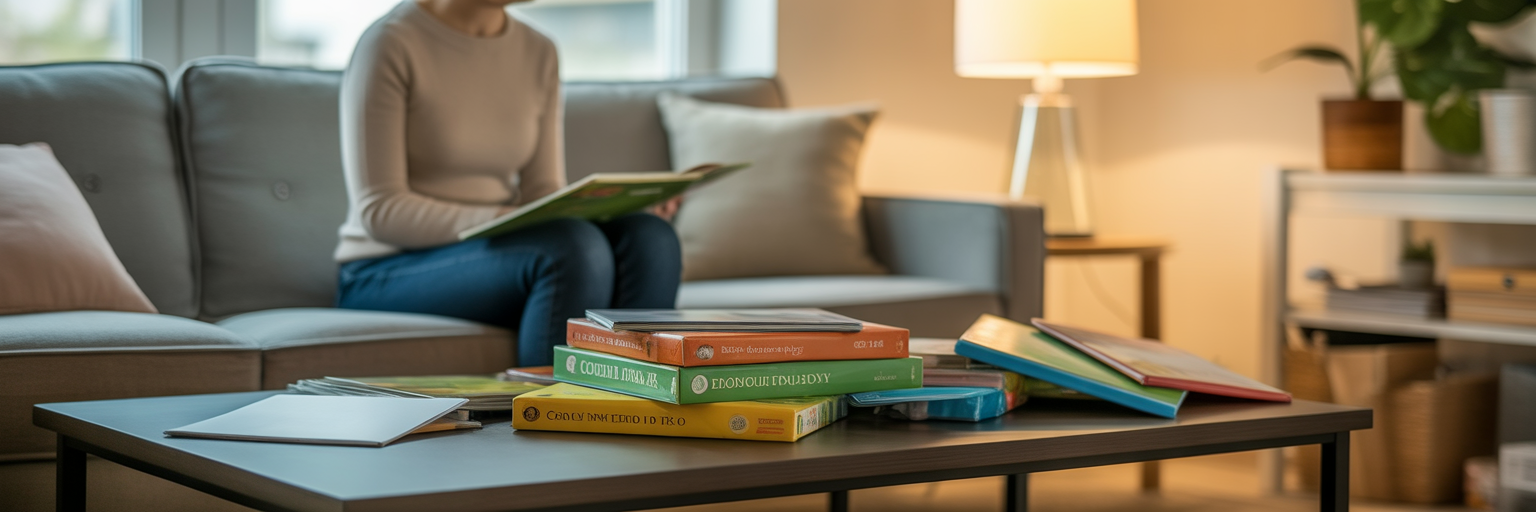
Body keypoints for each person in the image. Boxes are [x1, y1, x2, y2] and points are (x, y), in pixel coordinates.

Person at [334, 0, 682, 367]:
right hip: (384, 270)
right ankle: (552, 414)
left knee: (650, 238)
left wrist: (615, 210)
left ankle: (640, 413)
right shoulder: (390, 42)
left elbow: (542, 192)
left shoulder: (538, 50)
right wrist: (503, 218)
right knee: (570, 247)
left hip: (496, 253)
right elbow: (380, 210)